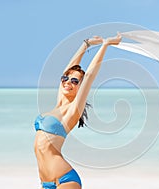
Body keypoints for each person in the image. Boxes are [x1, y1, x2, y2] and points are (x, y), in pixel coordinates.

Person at [34, 33, 122, 189]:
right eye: (65, 79)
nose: (68, 82)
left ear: (80, 88)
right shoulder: (59, 103)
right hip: (45, 183)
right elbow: (69, 69)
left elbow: (89, 76)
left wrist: (105, 45)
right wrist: (86, 44)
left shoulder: (73, 110)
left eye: (75, 81)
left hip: (65, 180)